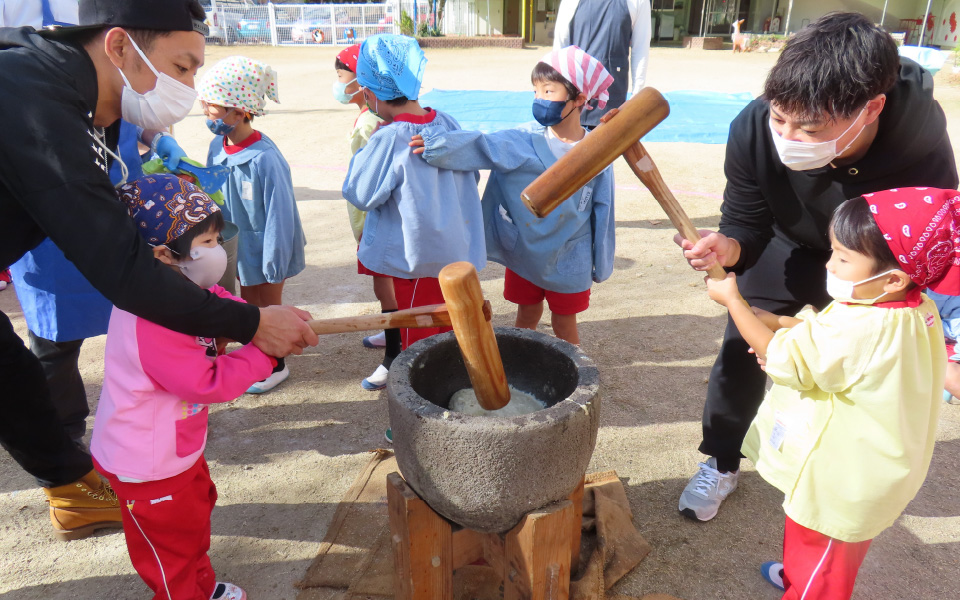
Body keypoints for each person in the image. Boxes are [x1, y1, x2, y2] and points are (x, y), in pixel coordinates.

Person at [0, 0, 317, 541]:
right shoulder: (32, 97)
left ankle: (71, 489)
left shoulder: (76, 92)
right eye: (181, 67)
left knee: (13, 376)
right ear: (119, 46)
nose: (189, 88)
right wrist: (253, 325)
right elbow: (121, 266)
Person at [674, 12, 957, 522]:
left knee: (860, 372)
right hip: (785, 245)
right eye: (780, 119)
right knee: (743, 347)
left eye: (810, 128)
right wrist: (727, 248)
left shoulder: (920, 147)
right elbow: (745, 222)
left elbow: (924, 244)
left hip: (869, 267)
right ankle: (721, 460)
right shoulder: (753, 129)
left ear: (871, 108)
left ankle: (836, 473)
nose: (787, 137)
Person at [705, 188, 951, 599]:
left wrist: (735, 303)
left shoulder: (861, 324)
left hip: (844, 479)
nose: (829, 264)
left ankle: (807, 587)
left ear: (893, 277)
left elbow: (783, 359)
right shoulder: (914, 306)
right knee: (808, 535)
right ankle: (799, 576)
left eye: (842, 257)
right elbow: (833, 341)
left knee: (823, 565)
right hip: (867, 468)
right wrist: (781, 321)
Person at [93, 174, 269, 600]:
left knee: (193, 526)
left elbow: (219, 302)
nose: (218, 250)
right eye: (207, 242)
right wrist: (264, 354)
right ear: (162, 254)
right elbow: (204, 383)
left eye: (217, 239)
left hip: (175, 449)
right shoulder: (151, 321)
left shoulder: (178, 290)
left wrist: (260, 323)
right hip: (147, 464)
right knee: (170, 553)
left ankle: (201, 588)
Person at [411, 46, 616, 345]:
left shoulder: (597, 151)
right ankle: (523, 362)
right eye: (536, 92)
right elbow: (483, 145)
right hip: (526, 254)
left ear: (579, 99)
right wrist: (437, 145)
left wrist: (602, 262)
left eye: (549, 91)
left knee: (564, 325)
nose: (540, 99)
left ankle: (575, 368)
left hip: (570, 256)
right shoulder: (524, 141)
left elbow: (604, 208)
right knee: (526, 315)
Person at [342, 33, 486, 398]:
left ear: (371, 92)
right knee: (452, 331)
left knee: (417, 343)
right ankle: (451, 397)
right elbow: (472, 173)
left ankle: (421, 410)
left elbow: (360, 193)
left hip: (417, 259)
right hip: (456, 252)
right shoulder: (448, 122)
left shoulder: (389, 138)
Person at [200, 55, 307, 394]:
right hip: (240, 246)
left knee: (270, 306)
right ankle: (259, 356)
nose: (205, 110)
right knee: (249, 306)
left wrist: (275, 261)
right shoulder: (217, 146)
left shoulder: (265, 158)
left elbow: (280, 214)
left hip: (268, 247)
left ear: (239, 111)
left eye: (212, 105)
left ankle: (277, 365)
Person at [333, 44, 398, 369]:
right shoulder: (369, 118)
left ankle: (396, 346)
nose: (337, 84)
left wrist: (363, 227)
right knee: (384, 283)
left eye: (340, 76)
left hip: (374, 220)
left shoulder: (369, 124)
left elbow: (369, 183)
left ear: (363, 82)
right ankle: (392, 332)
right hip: (370, 219)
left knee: (385, 284)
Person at [553, 0, 650, 128]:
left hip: (613, 94)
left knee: (609, 138)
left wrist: (637, 94)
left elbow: (640, 47)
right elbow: (560, 48)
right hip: (575, 92)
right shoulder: (570, 2)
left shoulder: (637, 2)